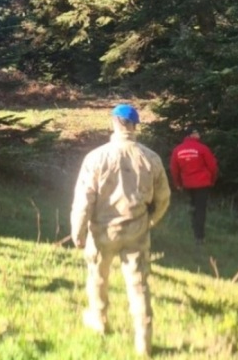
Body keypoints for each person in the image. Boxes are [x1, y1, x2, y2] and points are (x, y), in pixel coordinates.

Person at [70, 104, 171, 357]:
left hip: (102, 231)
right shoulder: (151, 158)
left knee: (98, 277)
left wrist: (78, 231)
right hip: (136, 231)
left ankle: (100, 320)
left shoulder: (96, 157)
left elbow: (84, 199)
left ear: (113, 123)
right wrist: (151, 221)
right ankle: (143, 340)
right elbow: (164, 198)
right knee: (139, 283)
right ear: (136, 126)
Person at [169, 127, 218, 245]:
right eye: (196, 132)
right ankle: (199, 237)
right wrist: (212, 180)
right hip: (202, 184)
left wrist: (178, 184)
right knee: (200, 210)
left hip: (187, 184)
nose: (199, 134)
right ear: (191, 135)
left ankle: (194, 231)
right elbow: (213, 166)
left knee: (193, 208)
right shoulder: (202, 148)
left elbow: (174, 169)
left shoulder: (177, 150)